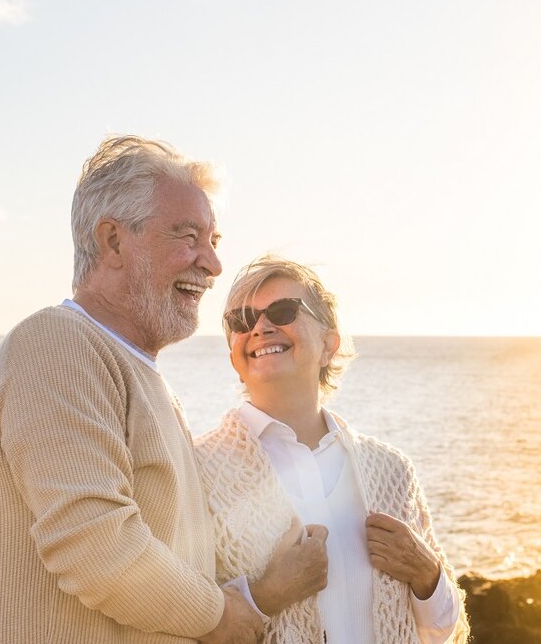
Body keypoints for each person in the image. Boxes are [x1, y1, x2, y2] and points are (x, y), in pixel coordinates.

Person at [0, 137, 321, 643]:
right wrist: (223, 616)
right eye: (188, 236)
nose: (213, 264)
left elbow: (174, 569)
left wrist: (263, 593)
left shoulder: (139, 374)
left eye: (214, 240)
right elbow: (95, 546)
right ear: (112, 242)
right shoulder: (57, 345)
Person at [195, 256, 470, 643]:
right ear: (234, 357)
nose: (259, 327)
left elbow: (442, 631)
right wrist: (266, 595)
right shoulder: (197, 469)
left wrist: (427, 574)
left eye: (283, 310)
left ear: (329, 344)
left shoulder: (390, 470)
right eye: (241, 320)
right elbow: (181, 626)